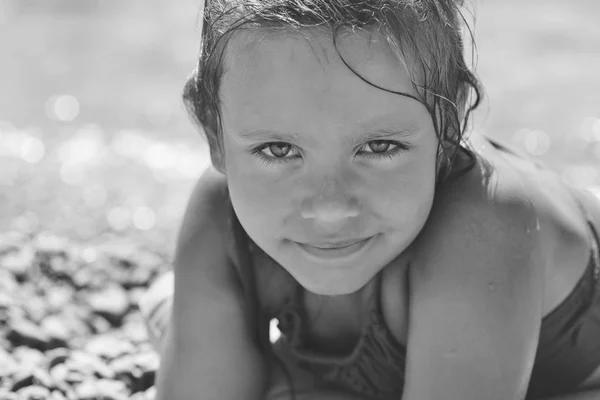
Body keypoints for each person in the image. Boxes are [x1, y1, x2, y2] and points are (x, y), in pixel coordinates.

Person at [138, 0, 600, 399]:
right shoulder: (222, 215)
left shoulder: (484, 229)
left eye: (379, 147)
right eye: (277, 150)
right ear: (212, 131)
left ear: (450, 120)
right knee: (175, 311)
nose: (331, 208)